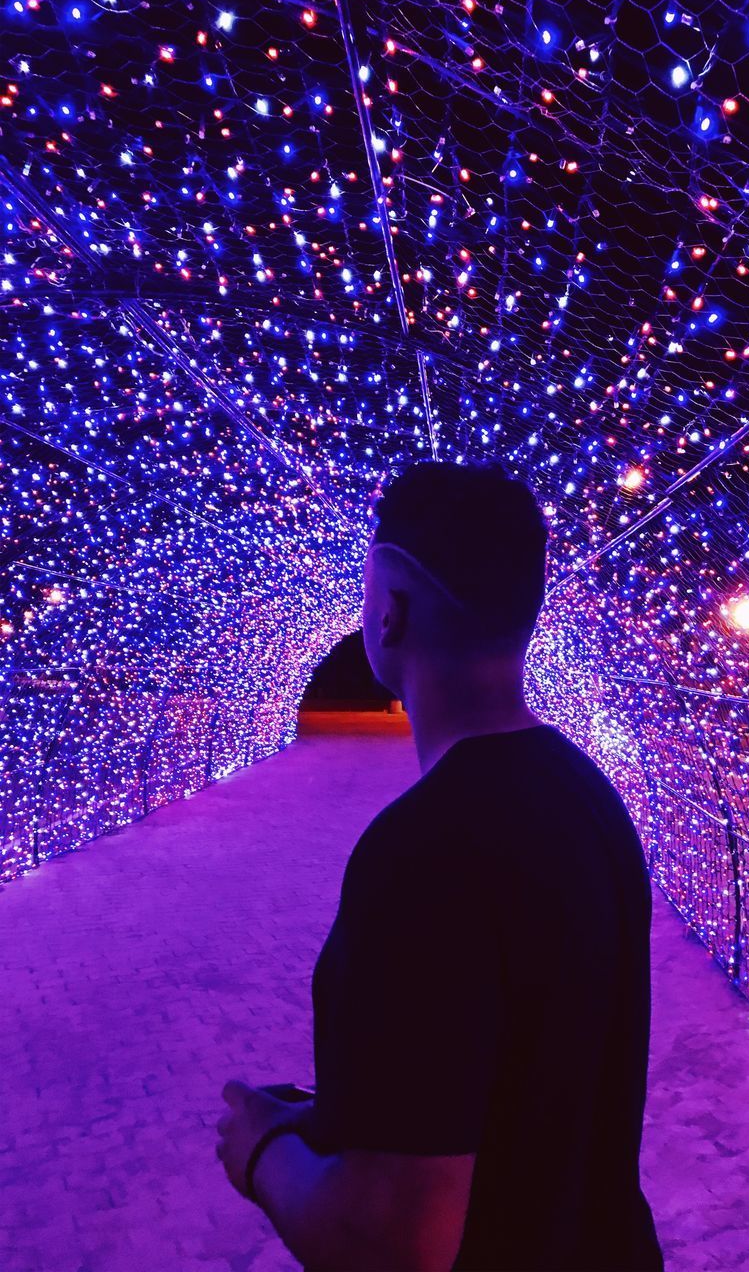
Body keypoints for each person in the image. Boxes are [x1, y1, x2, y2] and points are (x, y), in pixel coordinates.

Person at [216, 462, 663, 1271]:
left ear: (391, 613)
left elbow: (393, 1242)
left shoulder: (422, 853)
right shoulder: (587, 794)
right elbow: (527, 1074)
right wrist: (361, 1110)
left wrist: (261, 1148)